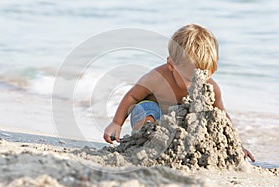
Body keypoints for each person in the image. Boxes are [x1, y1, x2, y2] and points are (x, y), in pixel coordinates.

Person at [103, 24, 255, 162]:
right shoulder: (157, 78)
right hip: (153, 119)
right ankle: (147, 143)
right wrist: (117, 123)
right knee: (146, 108)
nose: (197, 83)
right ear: (171, 65)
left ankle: (180, 148)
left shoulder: (210, 88)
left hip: (180, 129)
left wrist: (236, 145)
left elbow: (221, 118)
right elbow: (132, 96)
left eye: (204, 76)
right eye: (190, 78)